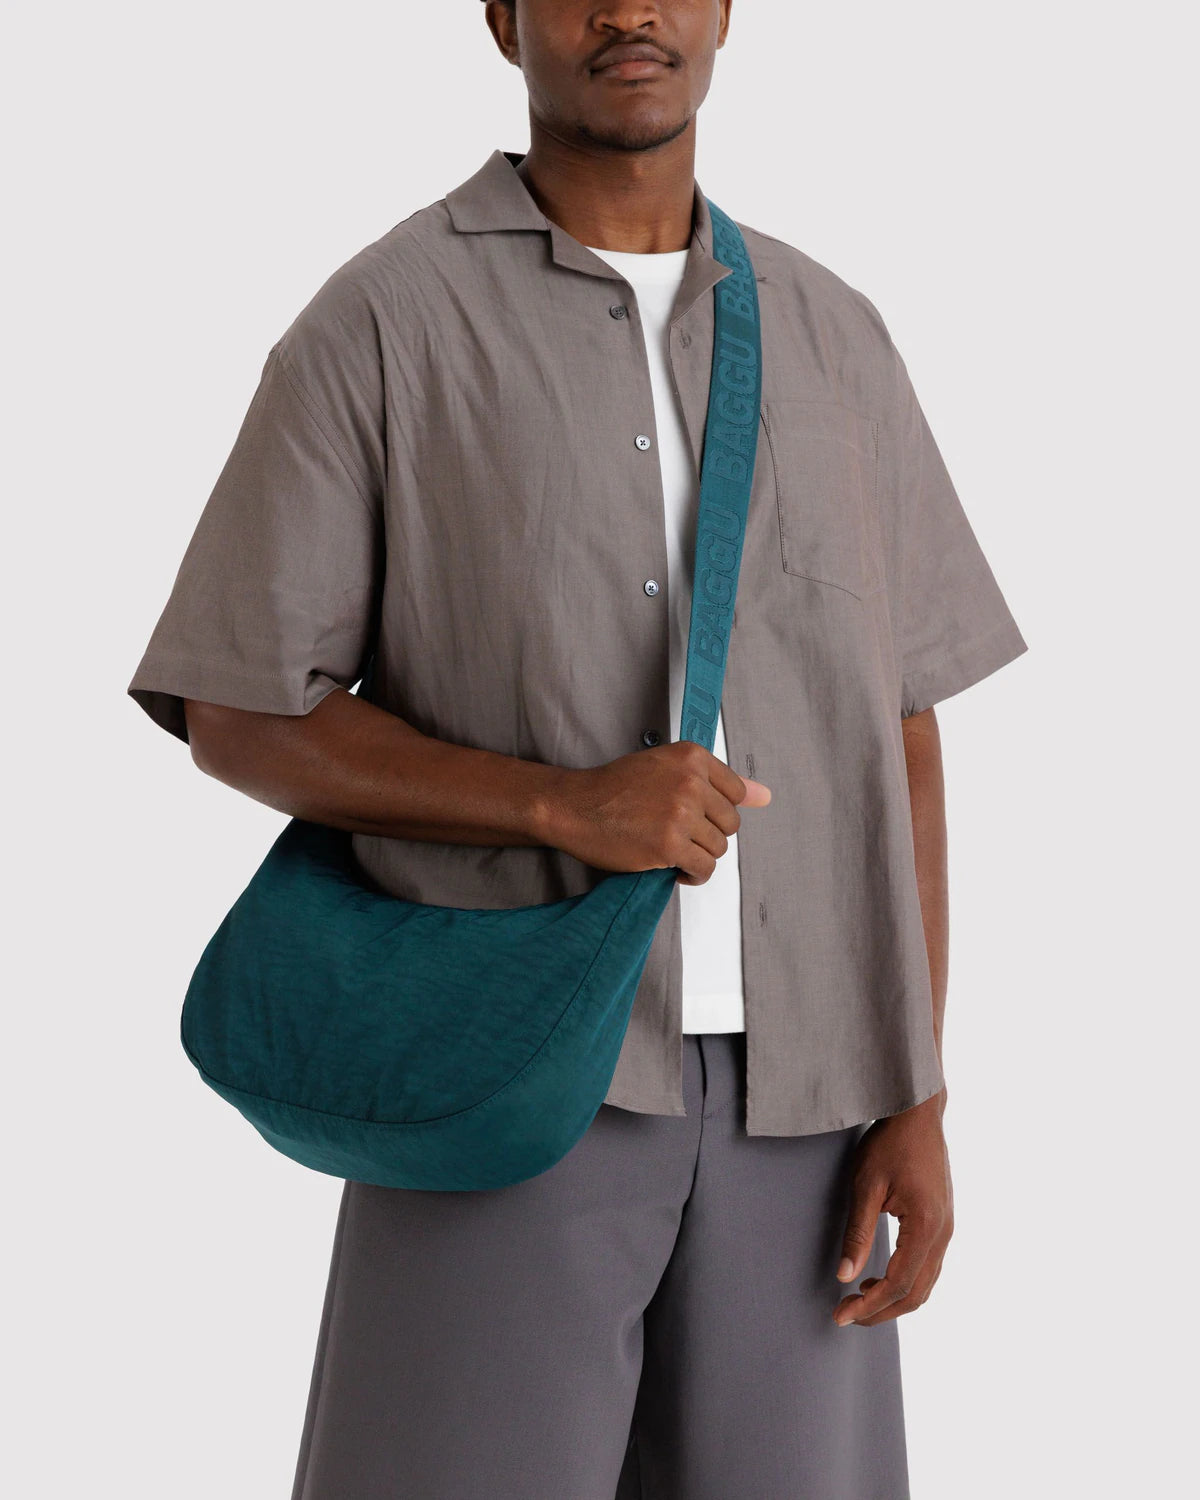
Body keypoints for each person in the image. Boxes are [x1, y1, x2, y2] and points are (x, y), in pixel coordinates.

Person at [126, 2, 1027, 1496]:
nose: (630, 10)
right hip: (507, 1075)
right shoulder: (386, 319)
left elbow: (904, 730)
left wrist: (918, 1094)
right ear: (503, 18)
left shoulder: (833, 332)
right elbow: (239, 709)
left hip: (809, 1100)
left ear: (726, 11)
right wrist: (559, 805)